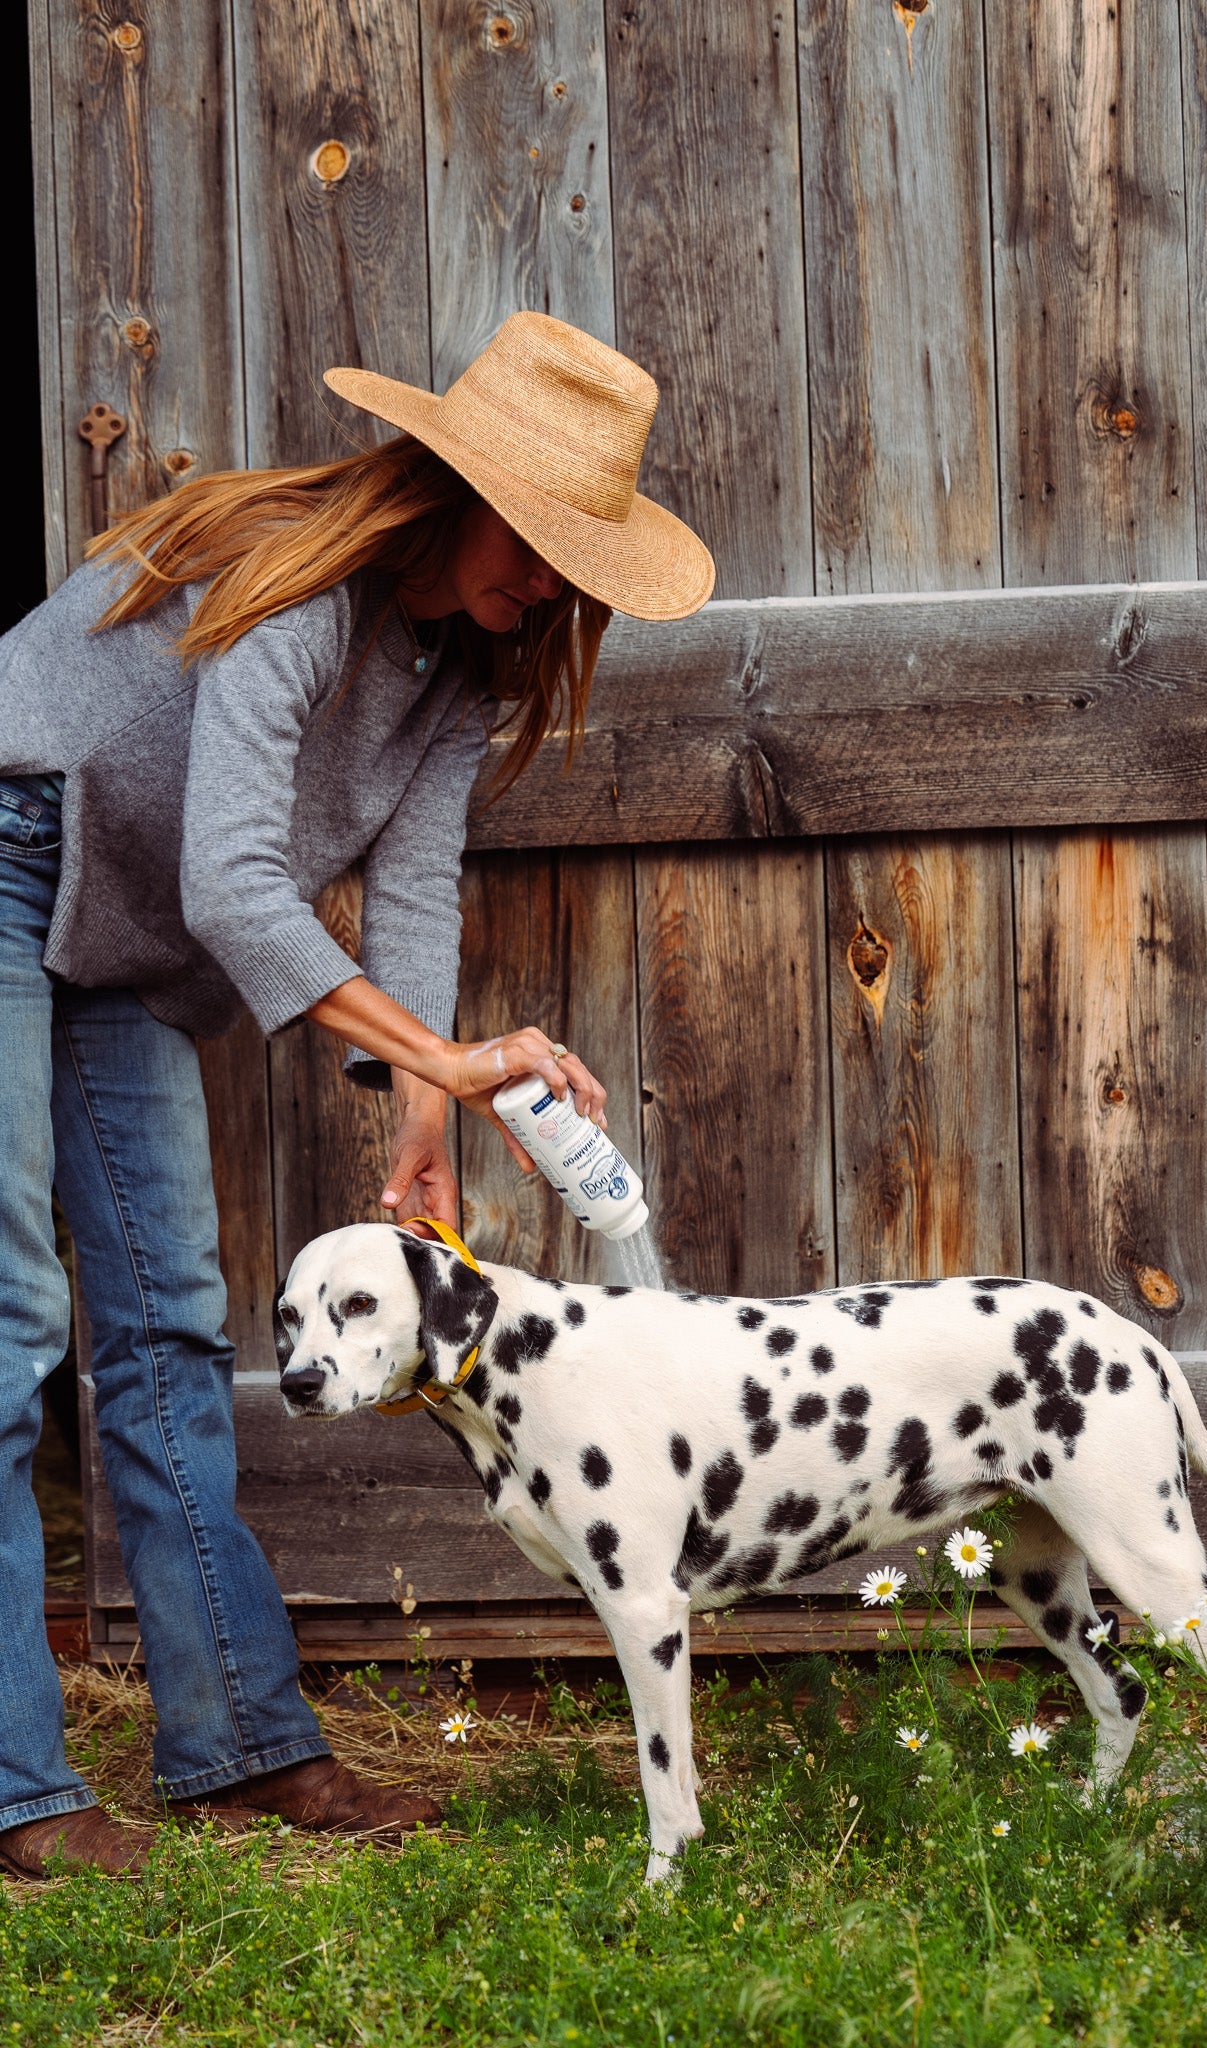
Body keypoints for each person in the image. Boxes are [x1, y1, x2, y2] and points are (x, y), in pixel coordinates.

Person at [0, 313, 714, 1877]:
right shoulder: (300, 589)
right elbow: (240, 883)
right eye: (534, 533)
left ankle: (237, 1746)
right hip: (12, 851)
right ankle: (19, 1787)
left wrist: (422, 1125)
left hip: (122, 937)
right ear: (455, 485)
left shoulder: (461, 668)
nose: (546, 576)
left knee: (173, 1323)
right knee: (12, 1328)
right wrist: (453, 1056)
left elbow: (410, 889)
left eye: (571, 552)